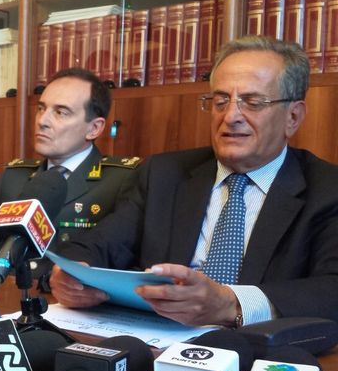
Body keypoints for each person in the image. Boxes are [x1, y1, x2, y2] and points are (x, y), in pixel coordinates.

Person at [51, 35, 338, 326]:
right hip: (158, 336)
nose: (231, 116)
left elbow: (331, 288)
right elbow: (96, 246)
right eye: (221, 101)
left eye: (252, 102)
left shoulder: (328, 190)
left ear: (293, 117)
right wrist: (71, 276)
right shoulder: (164, 173)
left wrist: (231, 302)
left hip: (259, 344)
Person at [0, 68, 140, 286]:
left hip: (70, 299)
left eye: (61, 112)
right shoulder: (15, 176)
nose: (42, 121)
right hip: (5, 294)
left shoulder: (121, 181)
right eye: (41, 108)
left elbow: (118, 263)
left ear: (94, 128)